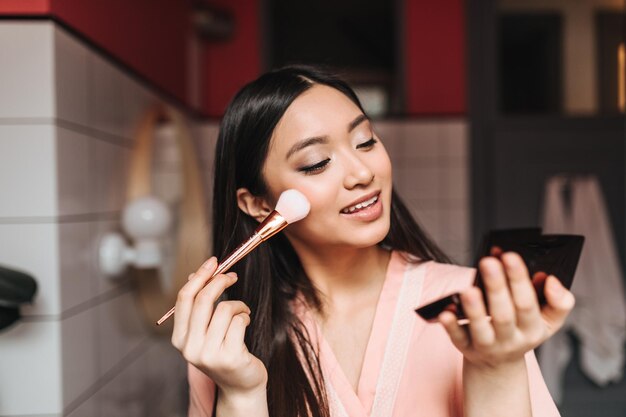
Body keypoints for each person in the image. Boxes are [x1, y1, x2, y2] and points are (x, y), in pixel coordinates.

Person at [171, 66, 574, 417]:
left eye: (365, 141)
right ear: (258, 204)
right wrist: (241, 395)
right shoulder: (227, 345)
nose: (363, 172)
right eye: (317, 163)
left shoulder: (472, 306)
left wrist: (496, 367)